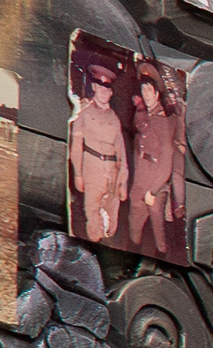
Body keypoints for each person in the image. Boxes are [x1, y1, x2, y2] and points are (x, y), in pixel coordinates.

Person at [126, 61, 184, 259]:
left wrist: (153, 190)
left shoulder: (162, 121)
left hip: (154, 183)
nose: (146, 94)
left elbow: (167, 161)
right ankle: (131, 255)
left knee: (158, 230)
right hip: (140, 180)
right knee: (134, 222)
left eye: (149, 90)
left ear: (157, 94)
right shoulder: (144, 115)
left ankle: (163, 261)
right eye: (143, 90)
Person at [67, 60, 126, 243]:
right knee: (92, 215)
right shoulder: (84, 113)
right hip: (92, 170)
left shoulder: (114, 118)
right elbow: (76, 145)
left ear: (111, 92)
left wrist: (123, 182)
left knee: (111, 220)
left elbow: (121, 152)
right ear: (94, 87)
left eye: (107, 89)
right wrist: (78, 174)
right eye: (101, 87)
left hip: (112, 173)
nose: (104, 92)